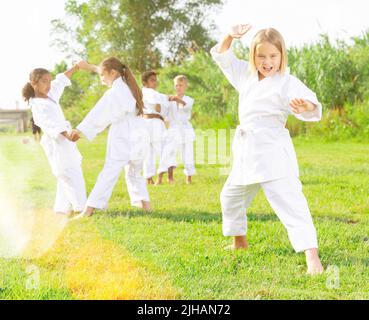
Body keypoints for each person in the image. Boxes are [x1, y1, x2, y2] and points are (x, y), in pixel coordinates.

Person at [211, 24, 324, 275]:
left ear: (282, 55)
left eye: (273, 56)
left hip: (273, 151)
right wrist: (230, 35)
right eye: (261, 56)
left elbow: (311, 103)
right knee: (231, 197)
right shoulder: (245, 75)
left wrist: (305, 107)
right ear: (253, 56)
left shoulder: (286, 81)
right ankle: (239, 241)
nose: (267, 62)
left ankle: (311, 256)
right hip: (246, 150)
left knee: (291, 202)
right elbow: (222, 55)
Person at [72, 58, 151, 219]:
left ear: (113, 73)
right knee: (135, 172)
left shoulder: (115, 92)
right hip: (139, 133)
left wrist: (80, 130)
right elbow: (105, 71)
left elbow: (100, 113)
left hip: (124, 134)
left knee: (110, 171)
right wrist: (90, 67)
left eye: (102, 76)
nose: (101, 80)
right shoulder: (129, 85)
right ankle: (146, 207)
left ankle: (89, 210)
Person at [22, 65, 86, 216]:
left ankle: (62, 209)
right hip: (56, 140)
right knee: (68, 172)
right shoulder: (37, 103)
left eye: (49, 81)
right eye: (44, 81)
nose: (49, 84)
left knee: (68, 171)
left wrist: (76, 67)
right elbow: (48, 122)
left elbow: (61, 80)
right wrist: (66, 134)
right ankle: (81, 207)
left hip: (64, 139)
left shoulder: (50, 95)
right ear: (34, 83)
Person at [141, 71, 185, 185]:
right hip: (147, 122)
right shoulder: (146, 92)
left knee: (162, 149)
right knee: (148, 151)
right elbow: (156, 100)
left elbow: (164, 100)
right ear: (145, 82)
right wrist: (170, 98)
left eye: (155, 80)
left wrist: (174, 99)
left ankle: (165, 176)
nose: (155, 82)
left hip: (156, 122)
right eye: (152, 80)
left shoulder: (155, 93)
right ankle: (149, 177)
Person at [161, 75, 196, 184]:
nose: (178, 87)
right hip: (173, 129)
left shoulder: (189, 100)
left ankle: (189, 177)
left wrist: (175, 99)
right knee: (169, 152)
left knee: (187, 154)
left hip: (185, 129)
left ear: (186, 86)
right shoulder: (170, 101)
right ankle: (170, 177)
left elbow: (185, 106)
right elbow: (165, 114)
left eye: (181, 85)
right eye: (176, 85)